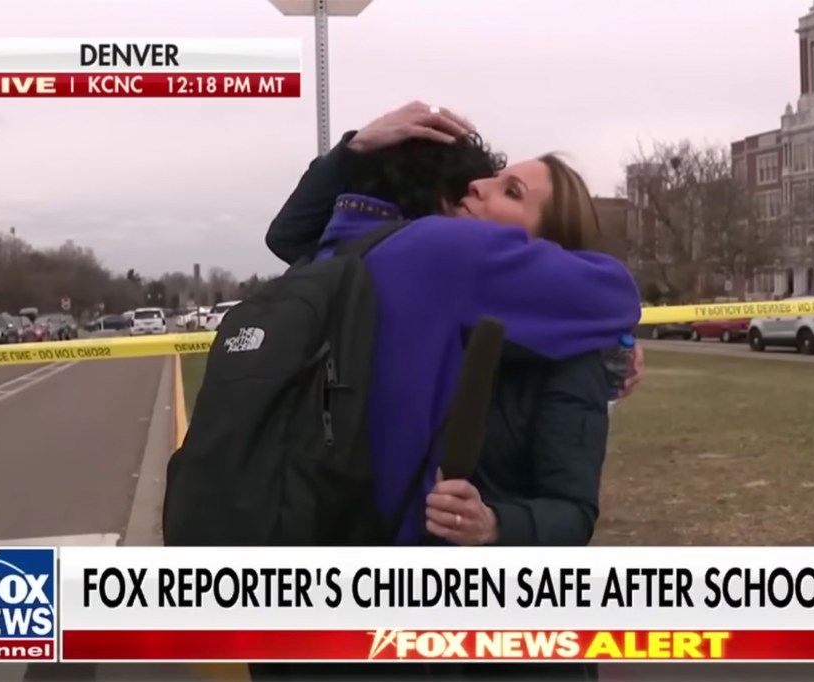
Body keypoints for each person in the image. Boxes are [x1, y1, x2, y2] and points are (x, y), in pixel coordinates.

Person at [255, 103, 643, 681]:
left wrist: (496, 527)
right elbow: (292, 238)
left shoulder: (563, 359)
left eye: (510, 191)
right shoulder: (408, 283)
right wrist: (351, 151)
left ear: (543, 248)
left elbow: (572, 513)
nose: (477, 187)